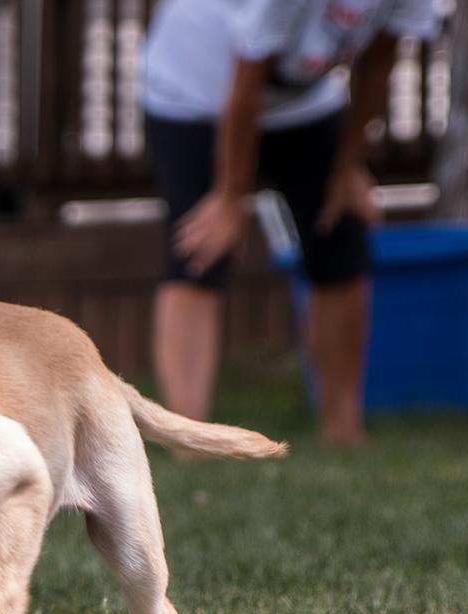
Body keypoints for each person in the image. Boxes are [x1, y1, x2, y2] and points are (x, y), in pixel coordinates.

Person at [143, 0, 438, 445]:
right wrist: (229, 197)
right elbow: (246, 79)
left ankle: (342, 432)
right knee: (201, 249)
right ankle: (191, 442)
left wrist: (348, 166)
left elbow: (379, 63)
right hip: (194, 91)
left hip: (302, 100)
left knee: (340, 235)